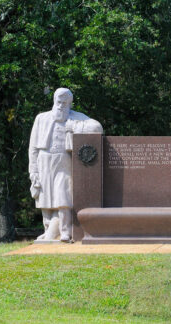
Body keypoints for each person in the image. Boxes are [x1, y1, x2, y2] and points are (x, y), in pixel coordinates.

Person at [28, 88, 102, 242]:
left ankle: (65, 231)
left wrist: (76, 128)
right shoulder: (41, 118)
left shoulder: (77, 118)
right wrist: (33, 171)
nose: (61, 106)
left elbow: (97, 128)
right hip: (44, 160)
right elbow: (33, 148)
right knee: (45, 197)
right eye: (58, 102)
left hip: (64, 160)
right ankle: (48, 230)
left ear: (70, 104)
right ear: (54, 101)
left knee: (63, 195)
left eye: (64, 103)